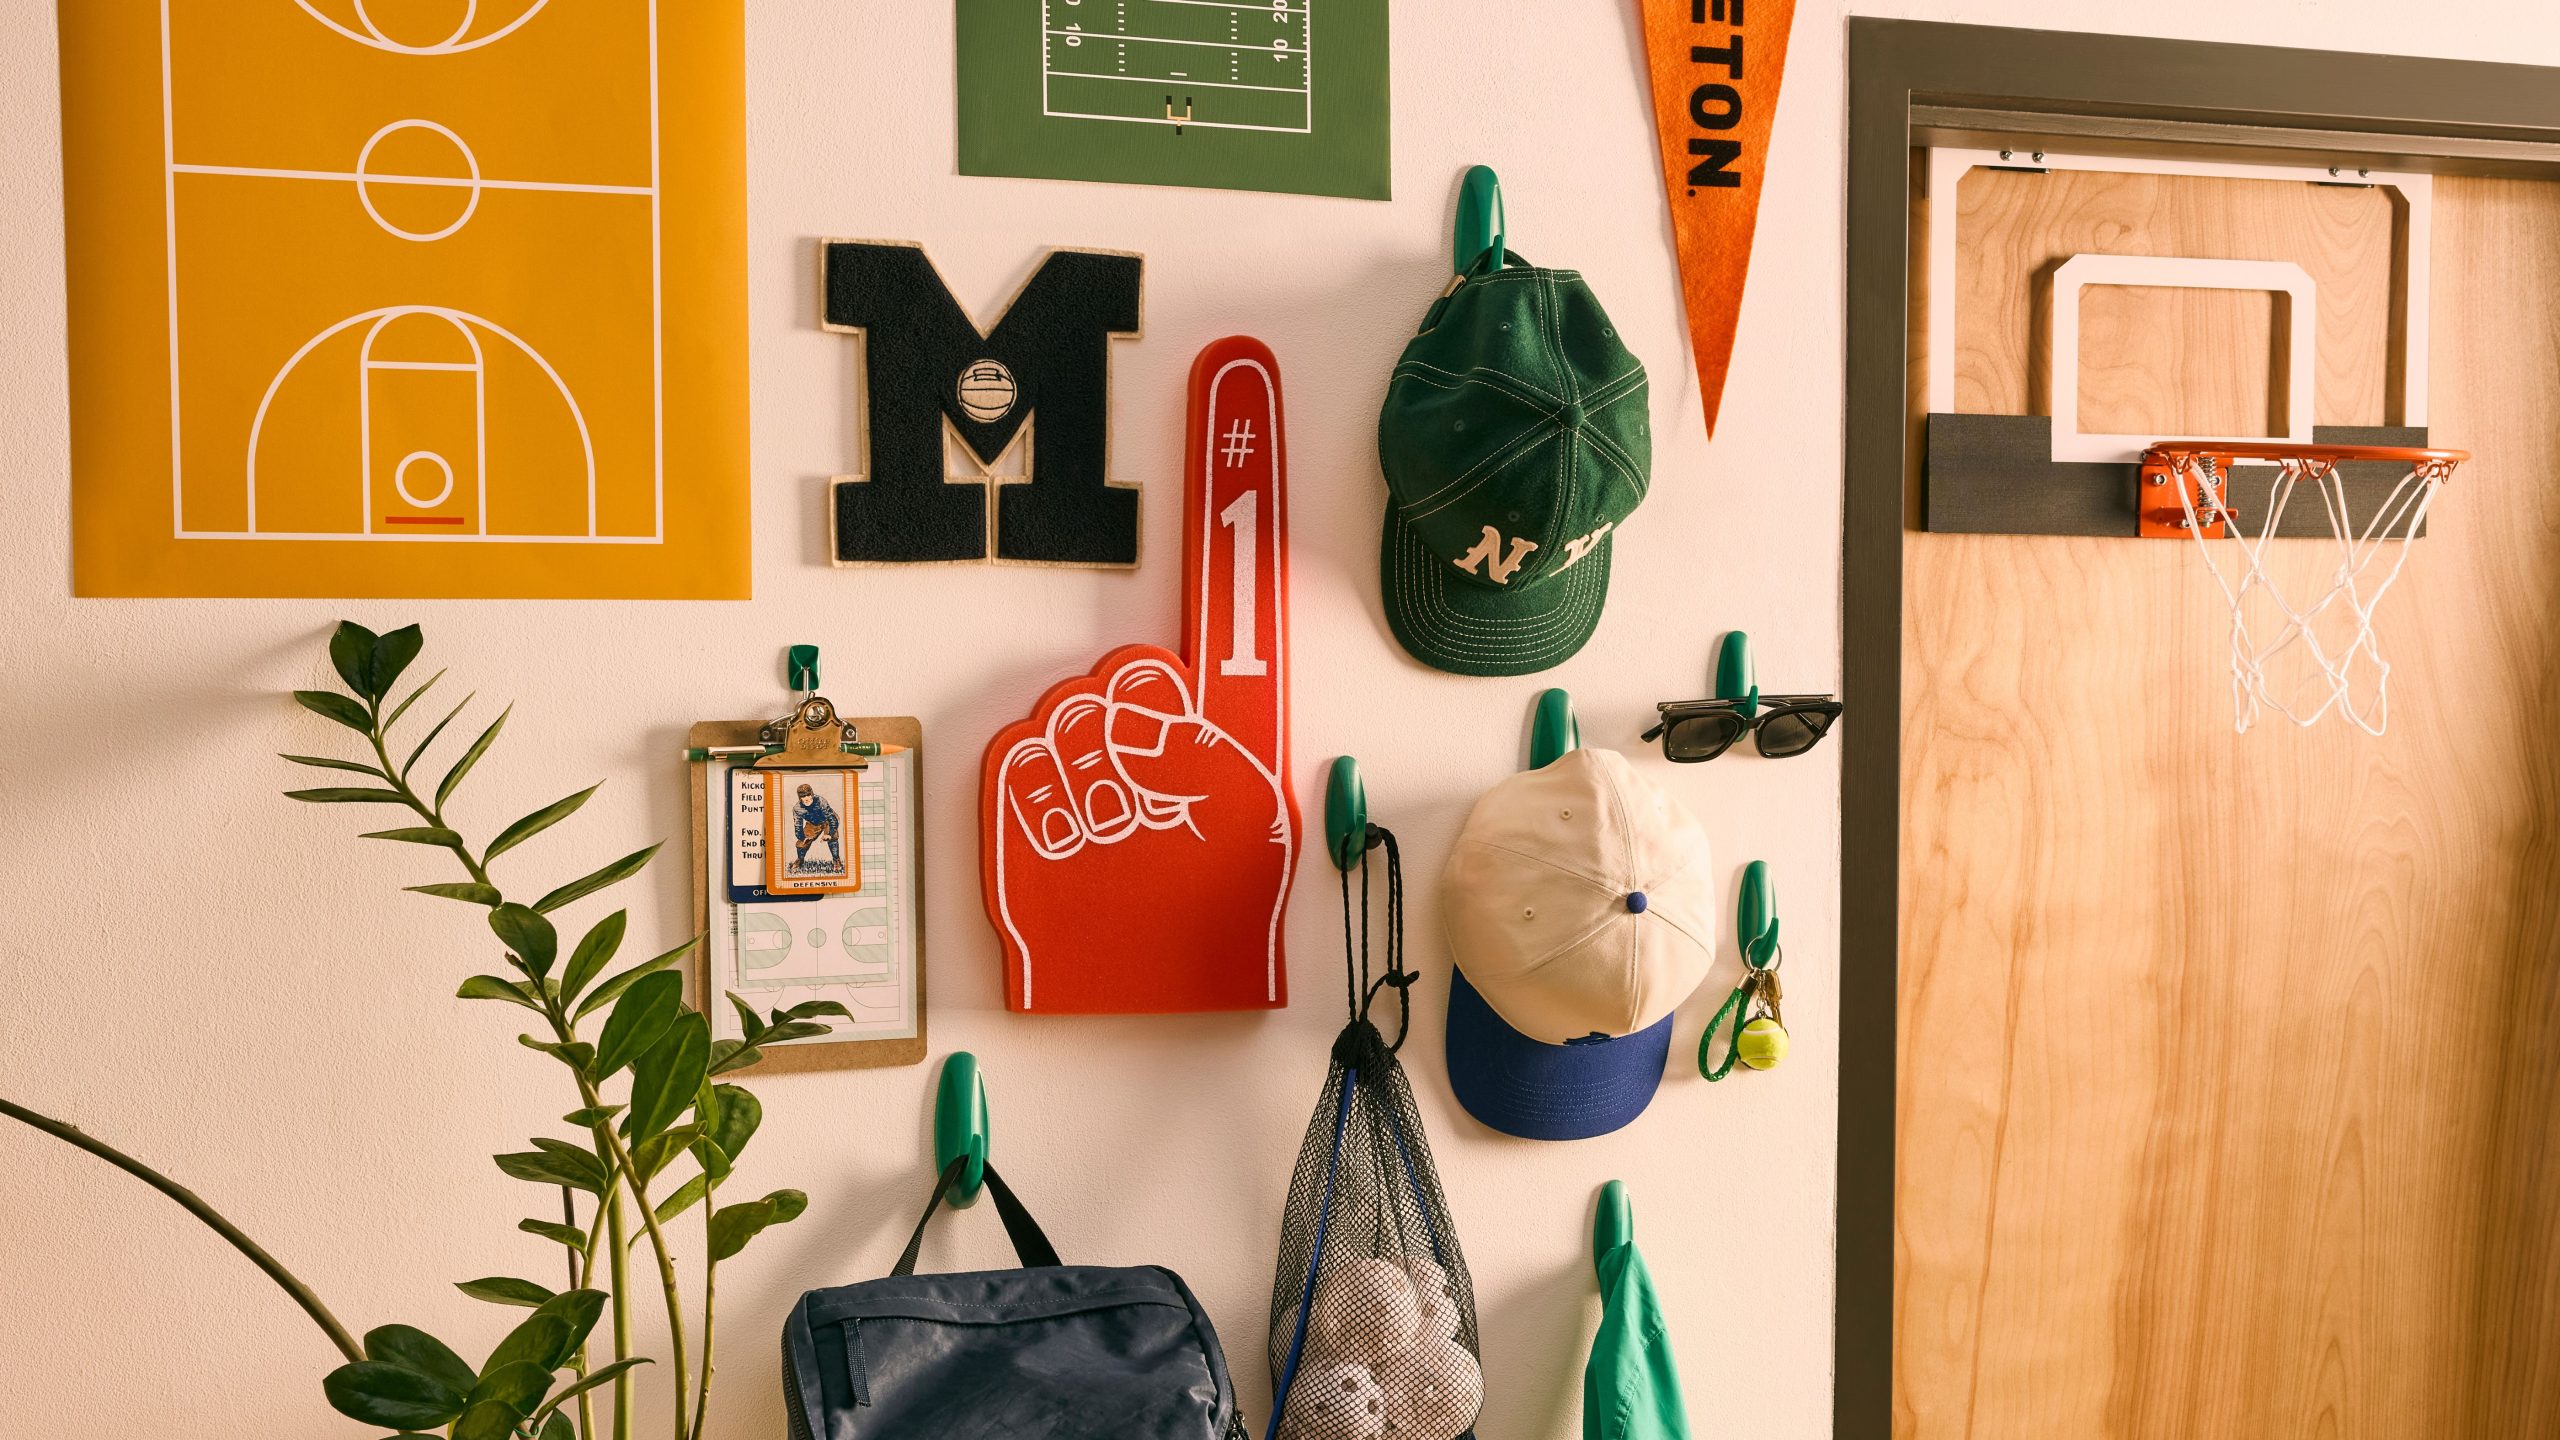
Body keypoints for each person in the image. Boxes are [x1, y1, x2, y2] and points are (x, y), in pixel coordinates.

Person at [793, 782, 841, 870]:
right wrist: (802, 837)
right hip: (813, 823)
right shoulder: (797, 808)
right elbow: (797, 826)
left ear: (812, 794)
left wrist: (829, 834)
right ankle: (800, 859)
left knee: (833, 838)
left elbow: (832, 819)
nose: (806, 798)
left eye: (808, 795)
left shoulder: (820, 801)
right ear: (800, 798)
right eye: (803, 796)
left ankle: (836, 859)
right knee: (801, 843)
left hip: (827, 820)